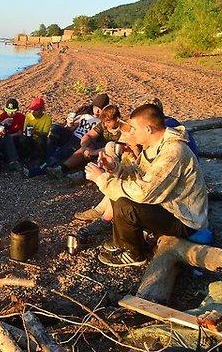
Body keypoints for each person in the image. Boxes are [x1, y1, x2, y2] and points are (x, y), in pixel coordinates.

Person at [84, 104, 208, 267]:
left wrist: (102, 179)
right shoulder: (156, 145)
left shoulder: (174, 151)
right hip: (167, 205)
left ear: (148, 129)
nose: (131, 132)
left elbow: (144, 192)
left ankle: (134, 254)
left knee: (125, 204)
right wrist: (114, 168)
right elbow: (138, 171)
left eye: (134, 128)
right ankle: (123, 243)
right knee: (118, 192)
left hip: (184, 218)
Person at [52, 104, 123, 176]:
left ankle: (82, 175)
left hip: (114, 153)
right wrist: (84, 147)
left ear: (117, 119)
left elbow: (114, 147)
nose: (105, 125)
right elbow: (89, 135)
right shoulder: (103, 125)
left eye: (108, 122)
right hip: (100, 147)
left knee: (104, 157)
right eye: (104, 122)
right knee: (87, 146)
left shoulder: (123, 130)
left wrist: (93, 152)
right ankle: (62, 168)